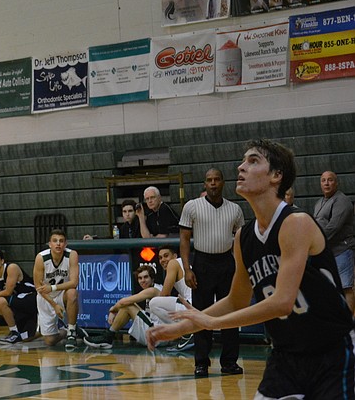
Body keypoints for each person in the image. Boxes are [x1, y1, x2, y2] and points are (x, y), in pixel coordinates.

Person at [149, 139, 355, 398]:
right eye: (243, 160)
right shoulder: (243, 238)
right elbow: (236, 300)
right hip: (285, 358)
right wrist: (184, 327)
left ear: (276, 176)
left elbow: (282, 302)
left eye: (253, 161)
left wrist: (212, 322)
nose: (241, 167)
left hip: (330, 354)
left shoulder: (296, 223)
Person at [178, 168, 244, 378]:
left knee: (230, 315)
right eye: (209, 180)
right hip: (202, 263)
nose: (213, 183)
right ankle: (201, 363)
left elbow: (240, 242)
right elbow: (184, 240)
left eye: (217, 180)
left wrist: (240, 269)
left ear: (223, 182)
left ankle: (229, 362)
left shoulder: (235, 209)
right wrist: (187, 269)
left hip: (226, 263)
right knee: (202, 315)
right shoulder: (192, 207)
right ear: (204, 184)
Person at [82, 265, 161, 348]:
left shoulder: (153, 290)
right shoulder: (155, 289)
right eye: (140, 278)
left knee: (128, 305)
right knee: (130, 305)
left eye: (146, 277)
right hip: (157, 333)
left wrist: (112, 310)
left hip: (157, 335)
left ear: (152, 279)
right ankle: (109, 336)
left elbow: (123, 302)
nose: (143, 281)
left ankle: (108, 337)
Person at [33, 229, 87, 348]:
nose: (58, 244)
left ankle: (71, 331)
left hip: (61, 293)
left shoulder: (72, 255)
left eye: (61, 241)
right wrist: (54, 304)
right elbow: (38, 287)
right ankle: (66, 330)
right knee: (50, 341)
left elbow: (74, 282)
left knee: (72, 293)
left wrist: (52, 287)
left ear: (65, 244)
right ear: (49, 244)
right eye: (55, 241)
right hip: (45, 297)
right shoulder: (41, 258)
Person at [313, 170, 355, 312]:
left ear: (336, 183)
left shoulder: (342, 200)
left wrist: (314, 242)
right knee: (329, 288)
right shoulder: (319, 202)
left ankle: (349, 323)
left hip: (342, 250)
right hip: (327, 252)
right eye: (323, 180)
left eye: (330, 180)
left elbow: (333, 227)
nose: (326, 183)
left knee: (345, 287)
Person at [0, 249, 38, 344]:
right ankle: (20, 332)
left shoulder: (11, 268)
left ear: (2, 261)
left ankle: (14, 332)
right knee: (25, 338)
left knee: (1, 300)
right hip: (19, 303)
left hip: (33, 297)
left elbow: (8, 292)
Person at [148, 247, 194, 351]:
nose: (162, 260)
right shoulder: (184, 264)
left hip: (192, 306)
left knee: (154, 303)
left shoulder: (174, 263)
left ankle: (186, 332)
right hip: (200, 306)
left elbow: (165, 294)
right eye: (160, 258)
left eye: (166, 256)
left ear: (174, 256)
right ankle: (188, 331)